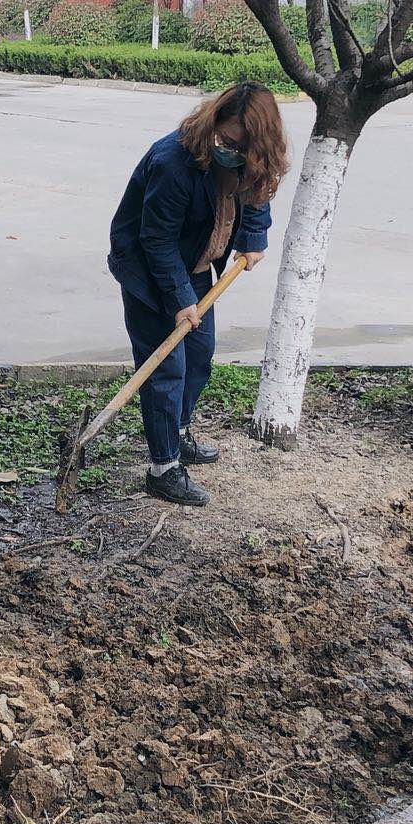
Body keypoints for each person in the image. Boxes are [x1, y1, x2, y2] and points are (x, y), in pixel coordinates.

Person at [106, 81, 287, 506]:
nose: (230, 150)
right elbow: (157, 240)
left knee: (199, 359)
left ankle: (179, 433)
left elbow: (258, 192)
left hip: (199, 267)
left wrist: (253, 236)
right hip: (151, 274)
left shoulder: (251, 159)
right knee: (166, 370)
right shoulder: (174, 161)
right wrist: (180, 299)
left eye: (241, 147)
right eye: (225, 140)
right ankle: (163, 468)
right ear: (213, 122)